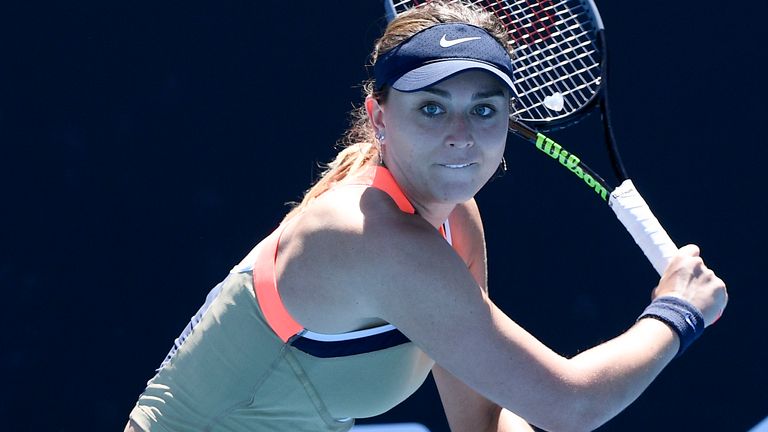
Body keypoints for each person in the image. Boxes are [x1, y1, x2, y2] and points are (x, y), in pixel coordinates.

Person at [124, 2, 728, 431]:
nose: (461, 135)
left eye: (484, 110)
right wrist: (677, 310)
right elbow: (567, 406)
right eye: (432, 108)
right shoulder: (366, 236)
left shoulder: (456, 223)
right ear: (379, 115)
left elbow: (482, 422)